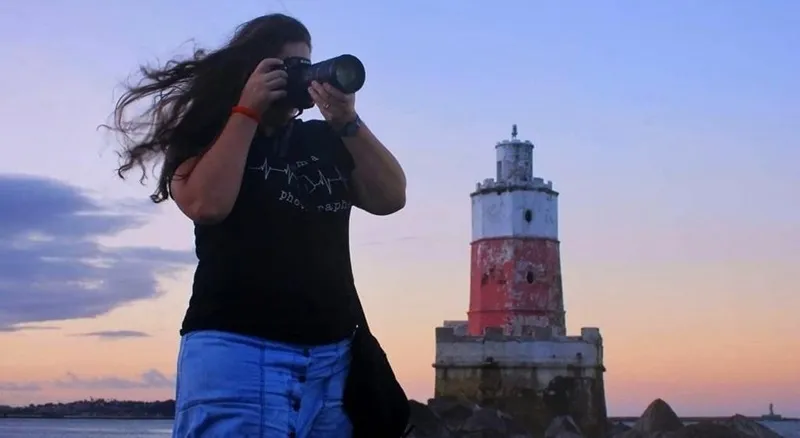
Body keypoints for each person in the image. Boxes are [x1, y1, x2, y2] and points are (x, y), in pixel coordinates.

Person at [109, 13, 406, 438]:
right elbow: (206, 205)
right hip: (238, 352)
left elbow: (391, 198)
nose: (302, 77)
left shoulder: (325, 140)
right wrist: (247, 110)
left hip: (332, 360)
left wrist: (346, 121)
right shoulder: (209, 137)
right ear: (252, 70)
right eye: (289, 67)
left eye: (307, 64)